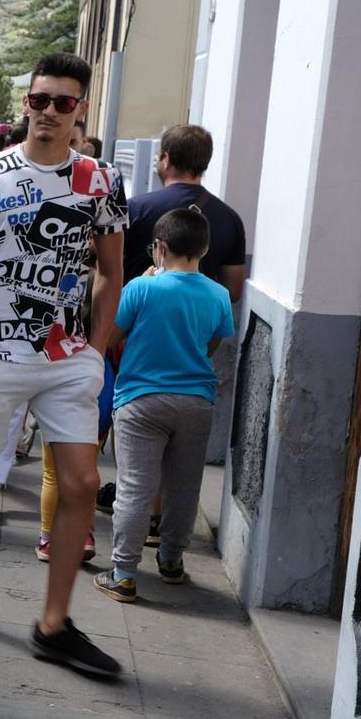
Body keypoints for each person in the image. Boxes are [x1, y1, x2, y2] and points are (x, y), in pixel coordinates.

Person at [0, 52, 126, 674]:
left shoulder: (101, 180)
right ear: (26, 104)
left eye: (61, 102)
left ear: (80, 109)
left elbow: (111, 271)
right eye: (38, 99)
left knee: (83, 485)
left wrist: (95, 349)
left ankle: (54, 622)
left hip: (68, 358)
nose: (47, 111)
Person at [93, 206, 234, 601]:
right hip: (196, 402)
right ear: (203, 250)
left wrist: (137, 284)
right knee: (184, 487)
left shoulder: (142, 288)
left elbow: (111, 334)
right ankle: (172, 560)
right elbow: (213, 342)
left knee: (135, 487)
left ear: (159, 247)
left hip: (140, 399)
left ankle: (123, 573)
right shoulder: (219, 294)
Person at [121, 123, 246, 467]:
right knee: (179, 467)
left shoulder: (135, 208)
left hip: (133, 353)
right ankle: (159, 513)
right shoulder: (229, 219)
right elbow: (233, 289)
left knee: (135, 451)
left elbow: (107, 271)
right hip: (193, 366)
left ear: (165, 158)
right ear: (205, 162)